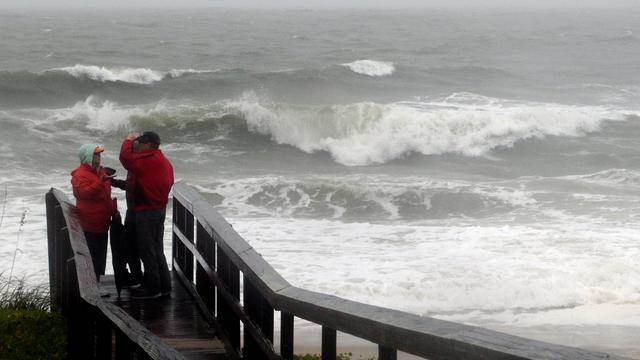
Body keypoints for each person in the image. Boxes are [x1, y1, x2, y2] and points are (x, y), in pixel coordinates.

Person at [119, 131, 174, 299]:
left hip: (146, 212)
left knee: (147, 251)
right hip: (159, 209)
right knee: (157, 249)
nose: (139, 145)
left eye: (141, 143)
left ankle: (154, 289)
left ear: (149, 144)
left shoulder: (148, 160)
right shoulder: (163, 161)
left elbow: (126, 159)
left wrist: (127, 141)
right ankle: (165, 286)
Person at [70, 144, 116, 289]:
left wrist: (113, 210)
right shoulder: (80, 174)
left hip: (102, 223)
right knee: (91, 258)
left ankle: (97, 285)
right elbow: (82, 193)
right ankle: (90, 288)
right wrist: (100, 182)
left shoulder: (100, 172)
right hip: (89, 224)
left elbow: (105, 195)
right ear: (88, 157)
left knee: (100, 258)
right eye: (96, 155)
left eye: (99, 155)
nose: (99, 157)